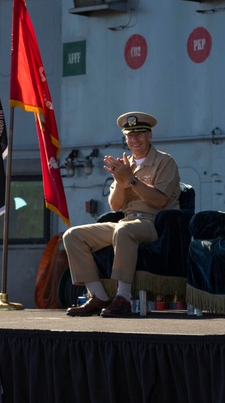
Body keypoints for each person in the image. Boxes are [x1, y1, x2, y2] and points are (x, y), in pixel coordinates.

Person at [64, 112, 181, 317]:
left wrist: (131, 179)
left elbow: (160, 201)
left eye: (139, 134)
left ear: (149, 136)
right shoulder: (126, 164)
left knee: (124, 230)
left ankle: (123, 298)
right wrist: (119, 181)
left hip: (154, 223)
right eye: (130, 135)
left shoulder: (164, 162)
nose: (134, 140)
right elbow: (116, 205)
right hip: (126, 221)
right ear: (125, 139)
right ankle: (98, 295)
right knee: (73, 236)